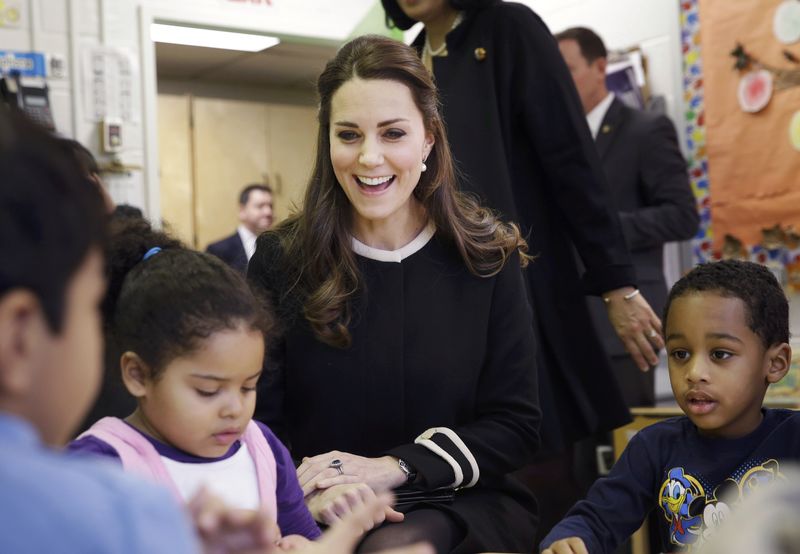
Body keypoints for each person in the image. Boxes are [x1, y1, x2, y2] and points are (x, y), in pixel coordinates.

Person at [247, 34, 540, 553]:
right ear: (327, 141)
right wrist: (299, 497)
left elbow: (514, 425)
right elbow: (257, 420)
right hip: (321, 500)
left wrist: (395, 468)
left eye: (393, 133)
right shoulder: (280, 259)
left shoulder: (487, 258)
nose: (369, 157)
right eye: (349, 134)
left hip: (461, 502)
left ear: (429, 139)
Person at [67, 216, 323, 540]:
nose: (234, 409)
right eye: (207, 391)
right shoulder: (98, 467)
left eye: (248, 387)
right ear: (138, 375)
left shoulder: (262, 448)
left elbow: (308, 539)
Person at [541, 260, 800, 554]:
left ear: (775, 363)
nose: (694, 372)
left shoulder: (793, 438)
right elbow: (597, 518)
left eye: (720, 354)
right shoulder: (654, 446)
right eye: (680, 353)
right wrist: (572, 539)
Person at [556, 26, 699, 407]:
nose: (559, 82)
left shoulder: (645, 130)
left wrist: (598, 230)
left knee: (625, 454)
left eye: (567, 69)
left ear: (600, 67)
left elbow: (682, 217)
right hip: (564, 324)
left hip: (624, 325)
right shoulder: (554, 142)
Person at [207, 184, 274, 273]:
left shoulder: (279, 248)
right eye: (260, 206)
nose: (268, 212)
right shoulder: (218, 251)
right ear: (242, 211)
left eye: (271, 206)